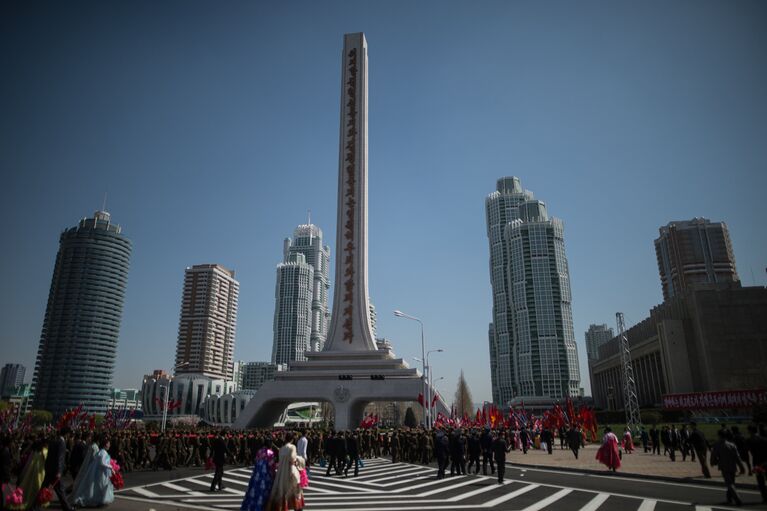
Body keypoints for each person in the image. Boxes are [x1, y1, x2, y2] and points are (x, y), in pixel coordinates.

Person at [70, 434, 115, 508]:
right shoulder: (102, 452)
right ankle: (98, 501)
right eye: (108, 443)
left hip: (102, 473)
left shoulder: (101, 451)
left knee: (101, 487)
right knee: (100, 487)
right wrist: (111, 467)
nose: (109, 445)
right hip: (101, 473)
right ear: (105, 444)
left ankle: (100, 500)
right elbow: (102, 463)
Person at [269, 432, 304, 511]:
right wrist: (298, 459)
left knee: (282, 490)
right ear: (292, 439)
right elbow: (292, 459)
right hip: (290, 470)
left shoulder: (281, 448)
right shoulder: (292, 447)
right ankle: (297, 508)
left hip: (281, 472)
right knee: (295, 490)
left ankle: (282, 507)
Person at [710, 429, 745, 506]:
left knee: (729, 483)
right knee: (731, 482)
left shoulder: (717, 444)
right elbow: (737, 457)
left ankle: (738, 499)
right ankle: (729, 499)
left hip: (724, 466)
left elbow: (713, 455)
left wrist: (712, 462)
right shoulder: (732, 445)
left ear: (719, 435)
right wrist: (742, 467)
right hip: (733, 465)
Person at [42, 427, 73, 511]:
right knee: (61, 490)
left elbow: (50, 456)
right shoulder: (62, 442)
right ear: (67, 434)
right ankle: (67, 508)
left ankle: (34, 505)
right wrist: (59, 471)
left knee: (44, 488)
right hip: (55, 470)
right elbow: (60, 458)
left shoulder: (53, 441)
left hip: (49, 469)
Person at [240, 443, 277, 511]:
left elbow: (256, 460)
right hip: (265, 475)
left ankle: (251, 507)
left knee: (254, 490)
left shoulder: (260, 451)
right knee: (265, 492)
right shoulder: (270, 452)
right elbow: (271, 465)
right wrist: (273, 474)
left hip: (257, 474)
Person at [746, 424, 767, 504]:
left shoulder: (749, 440)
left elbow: (747, 451)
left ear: (750, 431)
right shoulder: (764, 439)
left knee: (761, 482)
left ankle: (765, 497)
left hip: (757, 463)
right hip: (765, 461)